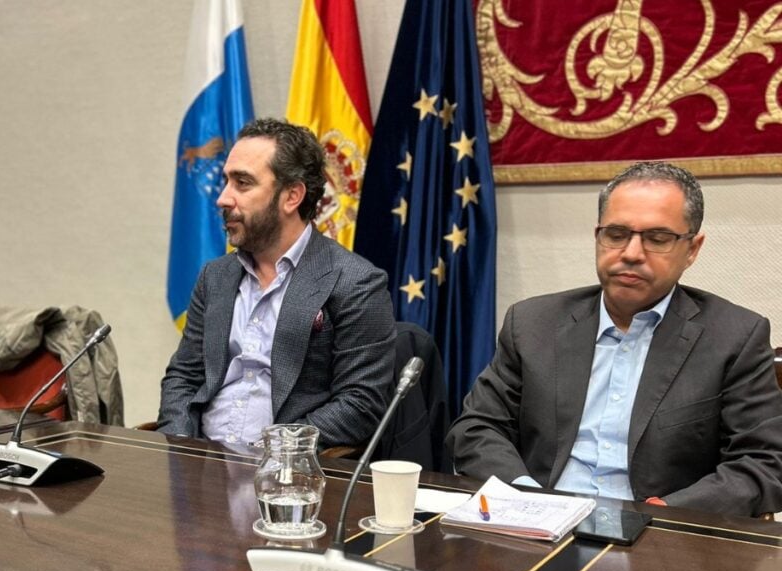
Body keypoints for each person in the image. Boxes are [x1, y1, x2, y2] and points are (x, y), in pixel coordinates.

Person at [447, 161, 782, 517]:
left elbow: (763, 462)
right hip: (536, 523)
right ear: (598, 236)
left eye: (657, 239)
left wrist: (667, 512)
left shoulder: (734, 337)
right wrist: (528, 498)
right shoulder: (533, 323)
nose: (631, 253)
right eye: (617, 234)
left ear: (692, 249)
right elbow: (477, 428)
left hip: (659, 532)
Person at [158, 118, 396, 448]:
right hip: (201, 460)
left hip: (285, 466)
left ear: (292, 196)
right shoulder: (216, 276)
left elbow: (360, 404)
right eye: (226, 182)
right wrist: (180, 446)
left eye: (242, 183)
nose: (223, 198)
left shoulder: (355, 282)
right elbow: (184, 376)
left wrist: (275, 451)